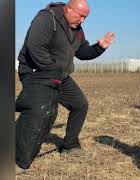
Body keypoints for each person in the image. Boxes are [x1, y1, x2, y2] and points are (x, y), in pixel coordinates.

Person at [15, 0, 115, 173]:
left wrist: (99, 48)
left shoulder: (77, 30)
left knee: (80, 104)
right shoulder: (47, 18)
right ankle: (15, 158)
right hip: (36, 71)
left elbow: (83, 53)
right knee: (40, 112)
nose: (83, 20)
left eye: (86, 17)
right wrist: (51, 70)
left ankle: (69, 146)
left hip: (59, 75)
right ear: (68, 9)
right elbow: (35, 46)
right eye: (81, 15)